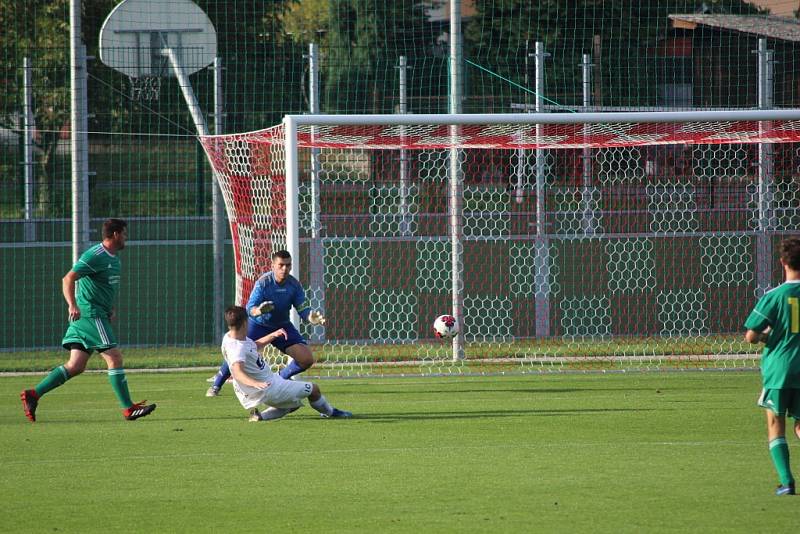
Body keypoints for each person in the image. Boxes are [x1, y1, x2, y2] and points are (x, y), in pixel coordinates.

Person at [20, 218, 156, 422]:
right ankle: (128, 409)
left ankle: (34, 394)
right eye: (125, 234)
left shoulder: (114, 259)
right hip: (90, 314)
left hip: (96, 313)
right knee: (114, 357)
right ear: (116, 234)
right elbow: (68, 278)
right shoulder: (95, 255)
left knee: (76, 365)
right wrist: (72, 304)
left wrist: (110, 307)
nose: (126, 238)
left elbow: (103, 287)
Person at [206, 249, 325, 397]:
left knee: (307, 359)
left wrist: (309, 317)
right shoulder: (263, 283)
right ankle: (216, 385)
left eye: (288, 265)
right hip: (258, 326)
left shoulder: (294, 285)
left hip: (282, 326)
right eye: (281, 265)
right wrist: (259, 311)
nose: (285, 269)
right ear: (272, 265)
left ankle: (280, 379)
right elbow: (250, 308)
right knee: (238, 352)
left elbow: (303, 309)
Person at [221, 305, 351, 421]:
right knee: (314, 389)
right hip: (268, 387)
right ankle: (330, 412)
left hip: (261, 386)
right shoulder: (236, 348)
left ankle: (259, 417)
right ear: (245, 323)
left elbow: (252, 346)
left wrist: (273, 335)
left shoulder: (230, 337)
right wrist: (256, 383)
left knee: (293, 403)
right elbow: (237, 372)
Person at [744, 236, 800, 496]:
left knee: (776, 424)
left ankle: (787, 482)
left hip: (780, 369)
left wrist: (771, 336)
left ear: (782, 262)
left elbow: (751, 336)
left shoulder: (775, 296)